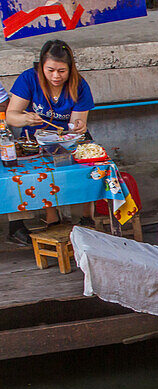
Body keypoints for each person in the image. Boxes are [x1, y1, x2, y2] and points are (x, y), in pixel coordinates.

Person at [6, 39, 94, 245]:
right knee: (30, 172)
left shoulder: (79, 84)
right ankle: (50, 218)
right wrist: (26, 119)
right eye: (50, 70)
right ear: (41, 67)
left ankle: (85, 219)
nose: (56, 76)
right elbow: (11, 116)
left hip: (67, 139)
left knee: (82, 169)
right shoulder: (29, 79)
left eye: (62, 71)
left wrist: (78, 126)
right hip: (32, 140)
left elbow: (77, 124)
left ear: (70, 69)